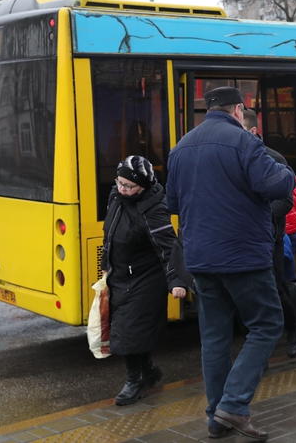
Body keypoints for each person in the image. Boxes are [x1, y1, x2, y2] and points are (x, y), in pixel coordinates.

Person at [167, 87, 295, 441]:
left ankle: (216, 417)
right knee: (268, 323)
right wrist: (286, 172)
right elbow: (277, 184)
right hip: (242, 257)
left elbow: (173, 202)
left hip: (200, 258)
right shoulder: (244, 142)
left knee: (214, 338)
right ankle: (234, 406)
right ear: (239, 110)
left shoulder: (181, 147)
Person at [102, 155, 194, 406]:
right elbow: (109, 237)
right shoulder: (116, 198)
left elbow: (167, 246)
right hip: (121, 276)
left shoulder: (153, 208)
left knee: (128, 332)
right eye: (119, 182)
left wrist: (176, 280)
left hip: (146, 279)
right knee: (130, 330)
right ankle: (149, 371)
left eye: (128, 186)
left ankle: (135, 381)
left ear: (142, 185)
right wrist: (105, 268)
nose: (121, 188)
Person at [241, 109, 296, 359]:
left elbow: (286, 202)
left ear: (252, 132)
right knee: (250, 294)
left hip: (270, 237)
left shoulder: (275, 159)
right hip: (243, 239)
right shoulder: (232, 157)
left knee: (274, 288)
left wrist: (254, 214)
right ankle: (261, 350)